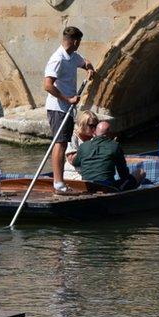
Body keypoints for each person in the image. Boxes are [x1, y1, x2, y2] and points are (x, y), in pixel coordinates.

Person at [43, 26, 97, 193]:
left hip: (67, 107)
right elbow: (47, 85)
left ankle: (60, 181)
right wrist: (68, 99)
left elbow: (86, 62)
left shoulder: (73, 56)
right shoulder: (57, 59)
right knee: (59, 143)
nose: (79, 45)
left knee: (64, 143)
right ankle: (58, 183)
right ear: (74, 41)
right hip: (58, 107)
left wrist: (90, 69)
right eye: (79, 42)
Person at [75, 121, 145, 190]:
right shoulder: (114, 146)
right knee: (141, 172)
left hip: (86, 186)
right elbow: (123, 173)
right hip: (107, 187)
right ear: (109, 133)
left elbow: (76, 163)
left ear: (95, 132)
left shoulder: (83, 146)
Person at [64, 110, 99, 181]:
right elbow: (72, 160)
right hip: (74, 174)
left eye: (96, 126)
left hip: (91, 172)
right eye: (91, 125)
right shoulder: (73, 137)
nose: (94, 129)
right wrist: (90, 146)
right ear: (83, 124)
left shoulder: (95, 138)